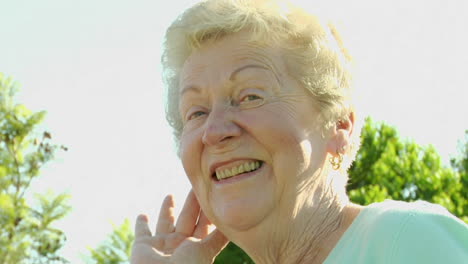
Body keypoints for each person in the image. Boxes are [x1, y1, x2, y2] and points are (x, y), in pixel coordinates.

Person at [131, 0, 468, 263]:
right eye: (197, 112)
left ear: (339, 125)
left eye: (250, 96)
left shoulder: (402, 241)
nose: (214, 131)